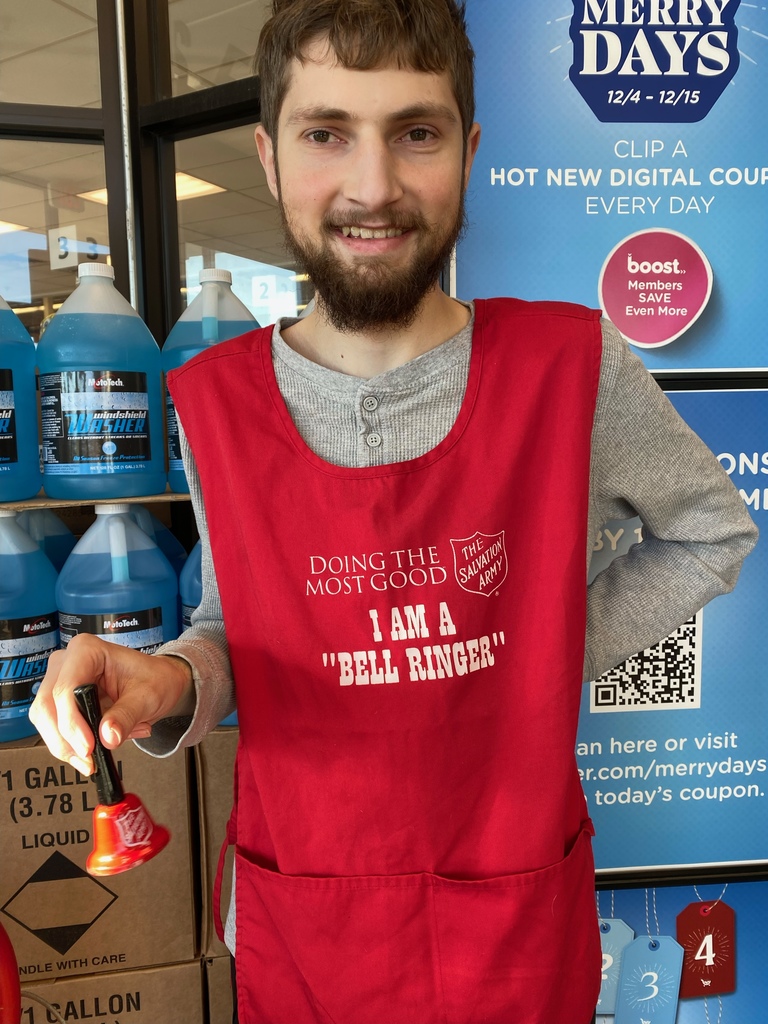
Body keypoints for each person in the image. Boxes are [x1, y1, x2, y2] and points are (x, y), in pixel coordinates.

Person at [31, 1, 757, 1022]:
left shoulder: (572, 365)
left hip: (512, 923)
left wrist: (544, 646)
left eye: (414, 132)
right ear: (270, 156)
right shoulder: (216, 404)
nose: (373, 187)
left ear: (467, 148)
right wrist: (159, 680)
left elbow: (712, 530)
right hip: (303, 930)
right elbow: (243, 627)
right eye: (327, 133)